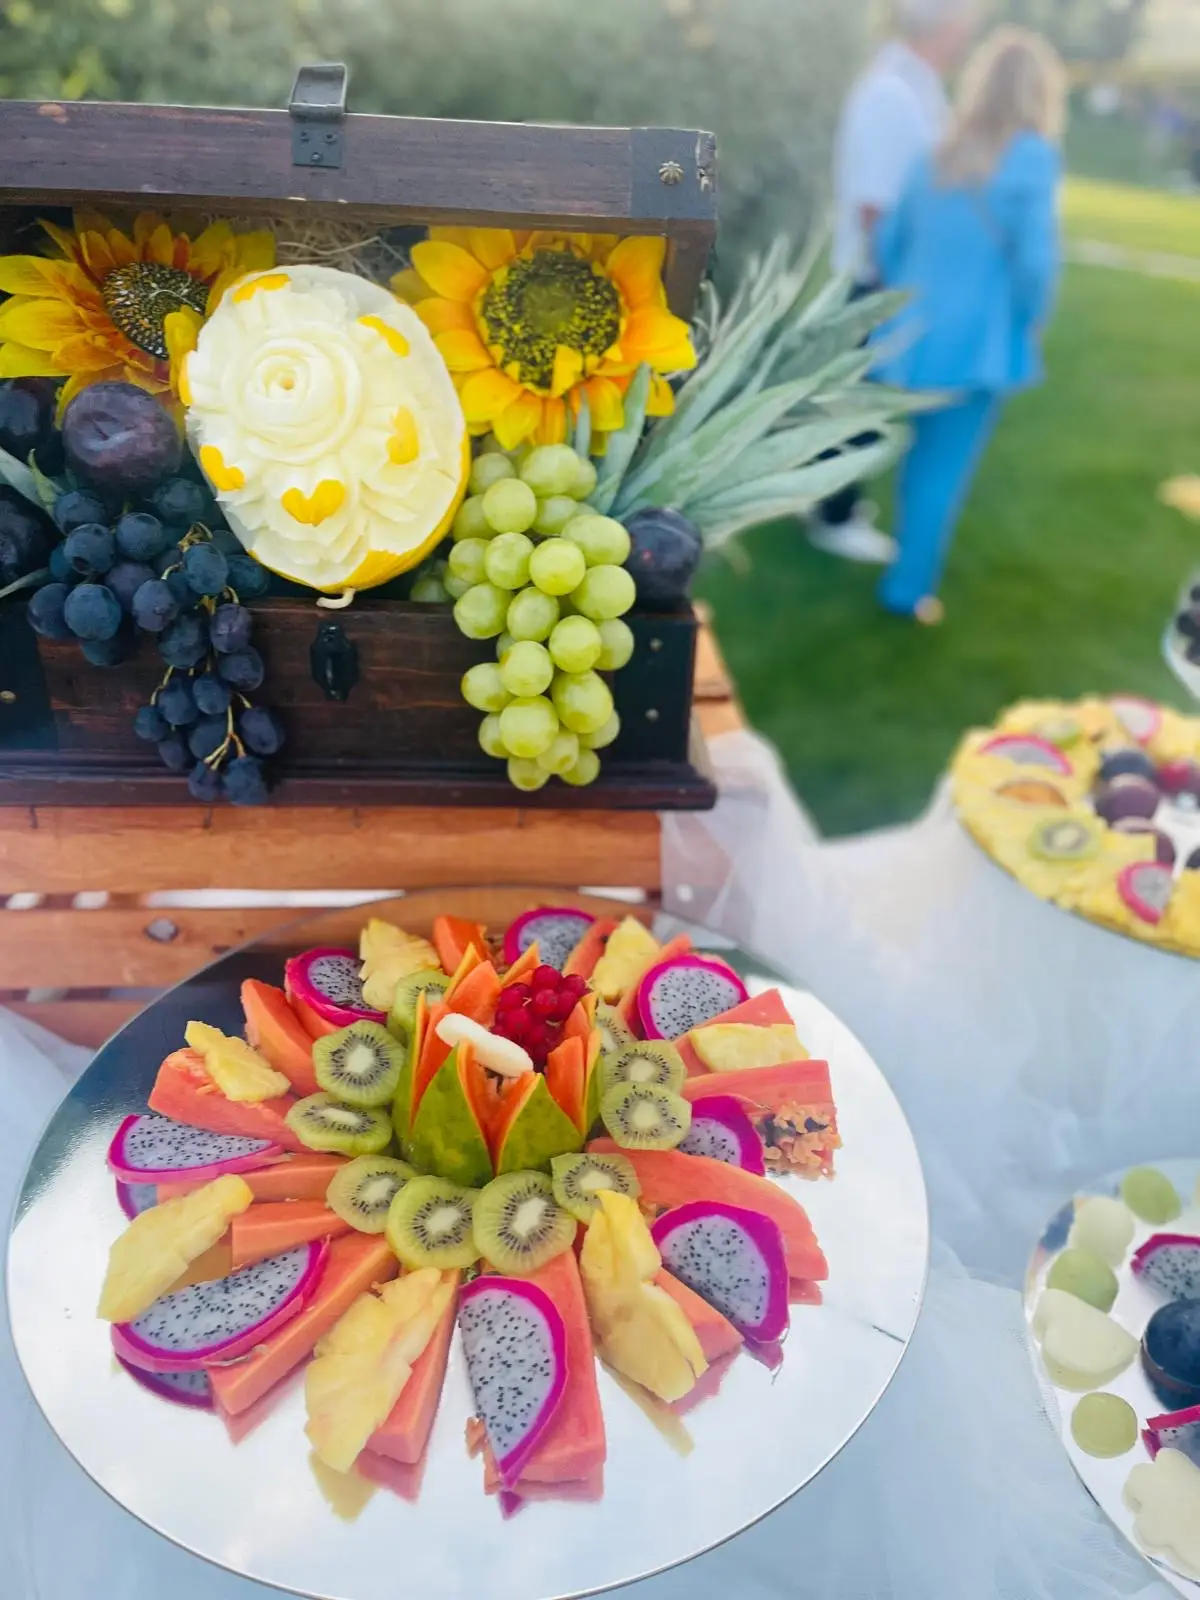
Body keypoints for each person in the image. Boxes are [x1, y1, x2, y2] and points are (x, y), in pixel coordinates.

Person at [872, 26, 1065, 624]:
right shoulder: (1032, 157)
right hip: (978, 343)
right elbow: (1036, 265)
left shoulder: (936, 151)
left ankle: (902, 559)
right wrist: (1033, 321)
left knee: (918, 460)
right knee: (942, 468)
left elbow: (888, 243)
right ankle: (908, 590)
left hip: (910, 337)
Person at [811, 0, 978, 564]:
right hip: (878, 280)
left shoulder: (915, 88)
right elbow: (875, 207)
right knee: (857, 405)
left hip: (890, 278)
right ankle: (834, 515)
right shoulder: (892, 93)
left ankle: (833, 504)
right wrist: (897, 291)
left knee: (860, 401)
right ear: (946, 27)